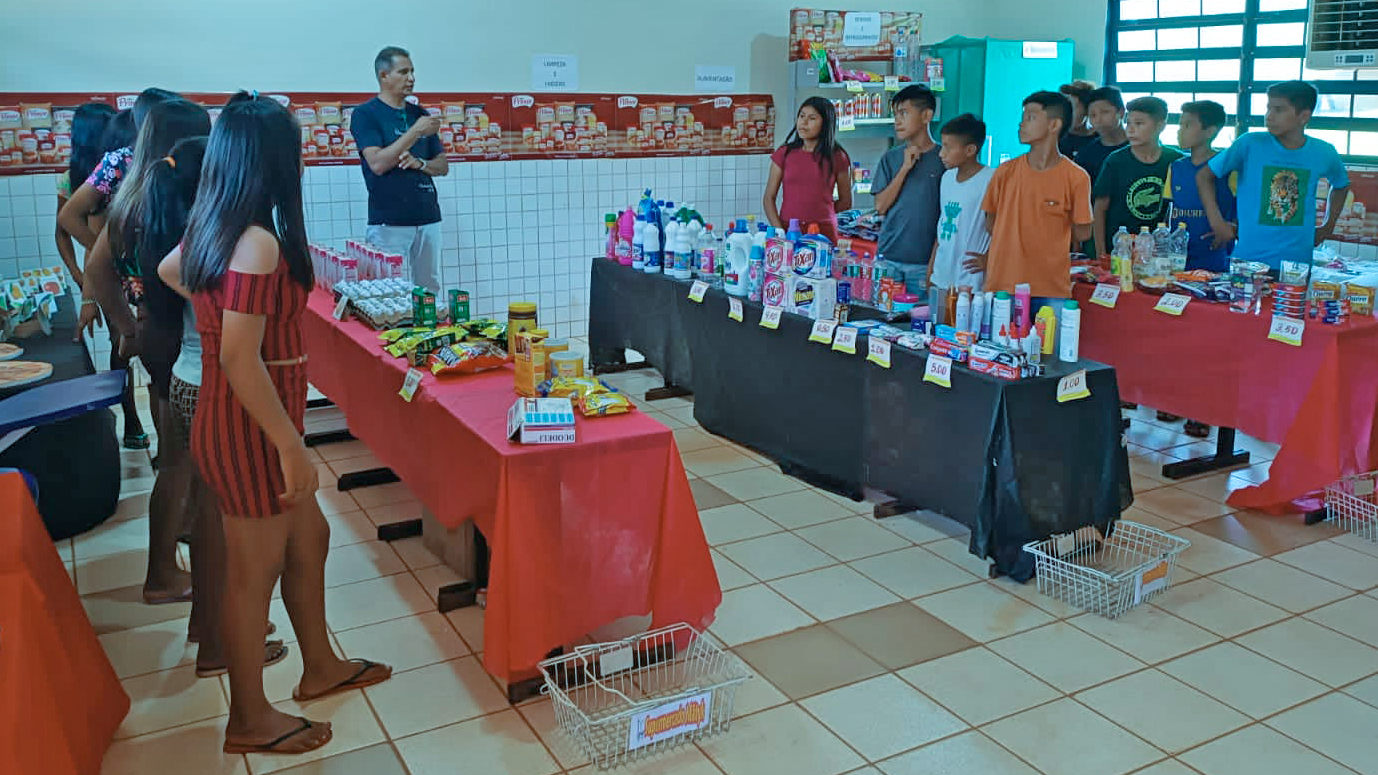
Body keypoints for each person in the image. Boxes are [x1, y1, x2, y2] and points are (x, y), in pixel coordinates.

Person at [170, 93, 392, 755]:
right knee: (253, 571)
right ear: (272, 160)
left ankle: (320, 663)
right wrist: (291, 444)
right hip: (248, 427)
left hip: (249, 415)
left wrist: (220, 321)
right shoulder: (258, 241)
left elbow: (170, 270)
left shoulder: (217, 227)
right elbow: (238, 357)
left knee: (309, 537)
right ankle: (247, 716)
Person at [146, 134, 288, 674]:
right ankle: (219, 644)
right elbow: (237, 348)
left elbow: (165, 270)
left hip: (185, 380)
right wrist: (231, 308)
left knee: (209, 521)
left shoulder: (201, 223)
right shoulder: (231, 231)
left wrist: (209, 301)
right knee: (223, 528)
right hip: (208, 387)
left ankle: (212, 627)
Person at [83, 98, 212, 606]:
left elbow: (96, 273)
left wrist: (126, 327)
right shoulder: (175, 200)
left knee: (175, 460)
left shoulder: (132, 197)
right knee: (185, 465)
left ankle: (171, 557)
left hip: (154, 337)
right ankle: (167, 574)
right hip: (180, 342)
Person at [1199, 80, 1350, 272]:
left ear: (1303, 116)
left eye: (1278, 110)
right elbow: (1204, 176)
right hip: (1247, 261)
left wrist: (1327, 227)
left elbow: (1341, 185)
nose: (1269, 116)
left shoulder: (1324, 152)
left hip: (1296, 266)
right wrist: (1217, 223)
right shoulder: (1249, 144)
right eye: (1268, 108)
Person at [979, 91, 1093, 320]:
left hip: (1051, 288)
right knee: (1000, 353)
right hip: (1004, 285)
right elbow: (990, 221)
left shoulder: (1076, 177)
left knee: (1050, 354)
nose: (1021, 124)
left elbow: (1083, 231)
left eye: (1030, 117)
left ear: (1054, 125)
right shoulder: (1006, 172)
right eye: (1023, 117)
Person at [350, 46, 448, 292]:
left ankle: (429, 331)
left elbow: (442, 166)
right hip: (389, 221)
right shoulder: (366, 114)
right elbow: (378, 163)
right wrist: (415, 132)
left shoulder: (420, 114)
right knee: (386, 290)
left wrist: (421, 164)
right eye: (403, 72)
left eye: (413, 71)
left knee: (429, 290)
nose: (411, 78)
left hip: (428, 217)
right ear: (384, 76)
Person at [871, 84, 946, 295]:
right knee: (882, 320)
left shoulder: (943, 159)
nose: (897, 121)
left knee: (920, 322)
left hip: (925, 263)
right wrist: (905, 169)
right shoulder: (891, 158)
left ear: (926, 115)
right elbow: (881, 206)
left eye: (904, 113)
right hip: (889, 257)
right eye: (895, 114)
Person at [1092, 96, 1182, 258]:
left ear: (1161, 125)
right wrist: (1100, 253)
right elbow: (1099, 209)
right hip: (1119, 249)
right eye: (1129, 123)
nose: (1131, 129)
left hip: (1156, 251)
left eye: (1139, 124)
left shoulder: (1175, 161)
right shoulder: (1116, 160)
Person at [927, 113, 993, 325]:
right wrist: (931, 266)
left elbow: (1000, 227)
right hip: (941, 273)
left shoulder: (990, 180)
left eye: (948, 147)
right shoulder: (946, 178)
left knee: (964, 332)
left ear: (970, 150)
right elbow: (942, 224)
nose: (941, 154)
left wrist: (989, 258)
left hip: (970, 278)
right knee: (938, 330)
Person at [763, 96, 852, 243]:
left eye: (812, 118)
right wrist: (779, 231)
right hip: (788, 230)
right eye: (801, 116)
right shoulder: (784, 153)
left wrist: (822, 216)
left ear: (825, 124)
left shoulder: (837, 156)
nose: (804, 122)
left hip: (824, 232)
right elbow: (768, 198)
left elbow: (845, 201)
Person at [1165, 100, 1237, 273]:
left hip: (1214, 255)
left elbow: (1239, 210)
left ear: (1210, 132)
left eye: (1188, 125)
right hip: (1178, 254)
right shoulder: (1176, 167)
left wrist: (1231, 228)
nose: (1180, 130)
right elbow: (1168, 210)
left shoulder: (1227, 168)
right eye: (1180, 124)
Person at [54, 103, 116, 290]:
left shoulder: (122, 169)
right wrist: (77, 275)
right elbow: (62, 232)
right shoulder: (71, 179)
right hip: (103, 271)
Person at [1075, 86, 1129, 185]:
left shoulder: (1140, 146)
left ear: (1121, 112)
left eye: (1105, 112)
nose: (1098, 120)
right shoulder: (1085, 155)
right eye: (1093, 115)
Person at [1058, 80, 1099, 159]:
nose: (1067, 113)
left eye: (1072, 108)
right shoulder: (1056, 138)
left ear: (1088, 109)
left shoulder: (1100, 139)